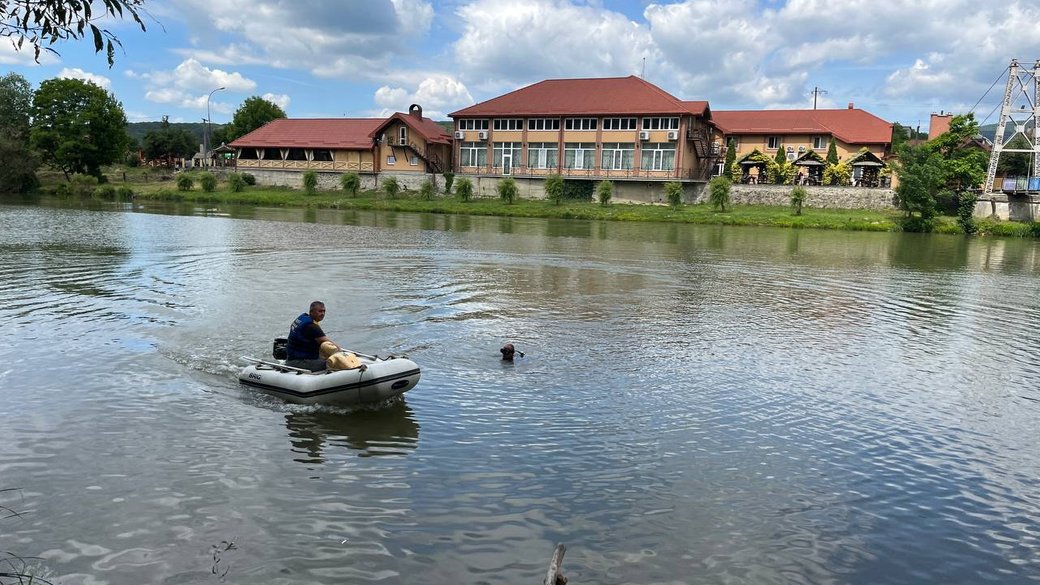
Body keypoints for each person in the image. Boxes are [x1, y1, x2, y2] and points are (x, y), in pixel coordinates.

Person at [285, 301, 341, 371]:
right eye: (320, 311)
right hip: (299, 361)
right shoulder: (311, 326)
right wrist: (341, 354)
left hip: (291, 357)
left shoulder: (302, 318)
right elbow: (333, 346)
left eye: (324, 311)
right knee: (335, 364)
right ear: (311, 312)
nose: (322, 314)